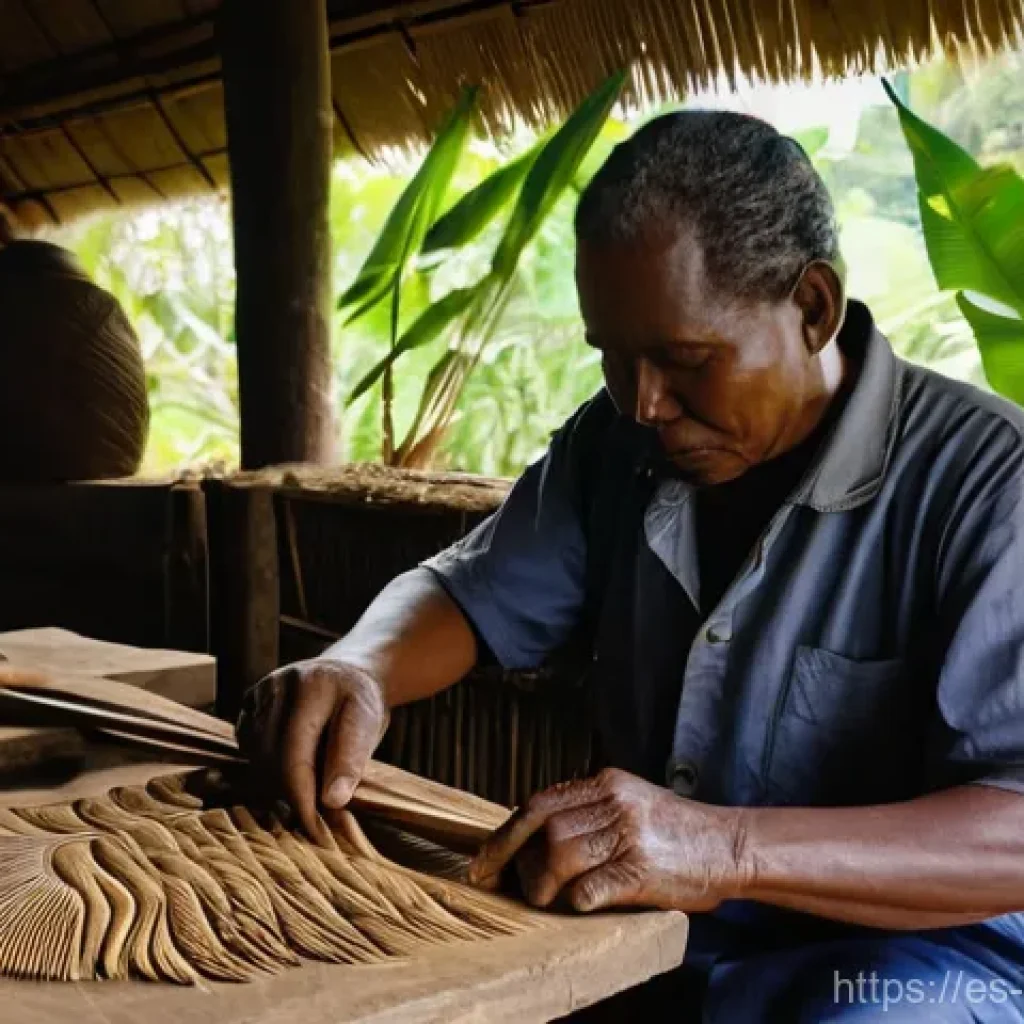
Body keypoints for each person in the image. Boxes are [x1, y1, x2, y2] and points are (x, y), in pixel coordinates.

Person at [238, 111, 1024, 1021]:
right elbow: (464, 590)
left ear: (813, 310)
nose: (644, 400)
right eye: (612, 357)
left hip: (920, 964)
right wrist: (360, 664)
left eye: (686, 359)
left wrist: (726, 850)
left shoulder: (989, 482)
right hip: (655, 939)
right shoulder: (613, 449)